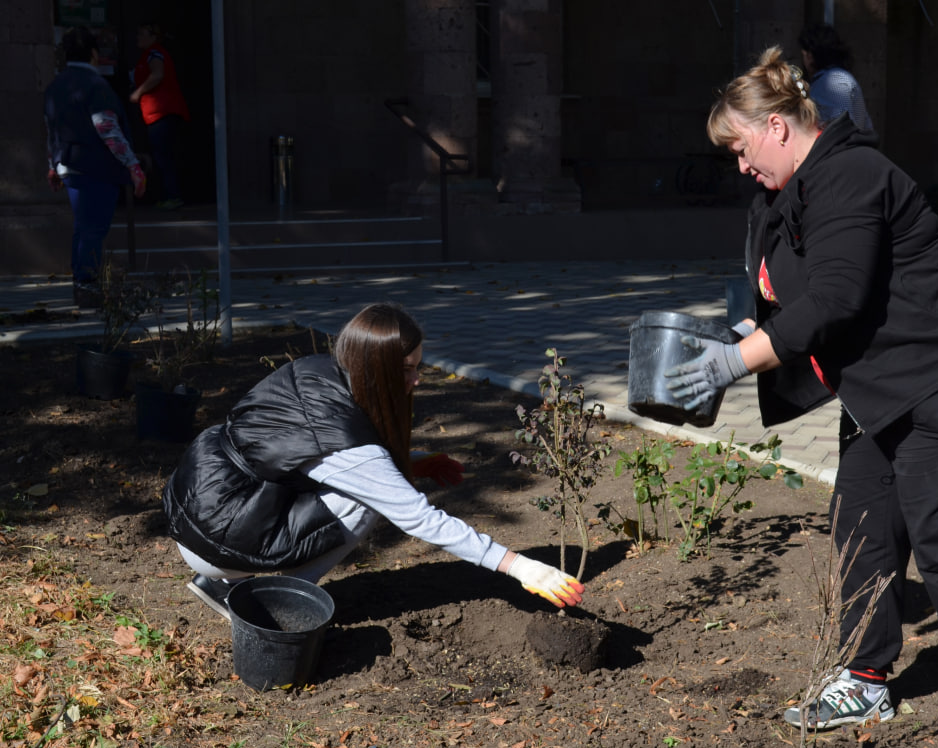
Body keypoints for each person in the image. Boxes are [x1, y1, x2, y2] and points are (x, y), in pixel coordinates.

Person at [667, 47, 938, 748]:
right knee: (860, 523)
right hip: (884, 386)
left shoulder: (854, 174)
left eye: (740, 149)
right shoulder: (789, 194)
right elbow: (798, 297)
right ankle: (865, 678)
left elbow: (835, 301)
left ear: (775, 126)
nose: (739, 167)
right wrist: (736, 337)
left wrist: (736, 362)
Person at [162, 303, 584, 619]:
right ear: (375, 367)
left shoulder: (318, 370)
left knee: (382, 480)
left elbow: (298, 457)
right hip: (221, 536)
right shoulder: (343, 440)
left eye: (418, 367)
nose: (417, 380)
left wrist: (415, 462)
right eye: (406, 370)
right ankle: (274, 602)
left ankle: (222, 585)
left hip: (196, 507)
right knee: (373, 498)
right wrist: (520, 566)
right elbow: (417, 517)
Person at [44, 26, 147, 309]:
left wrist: (53, 164)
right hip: (96, 166)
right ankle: (87, 287)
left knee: (83, 227)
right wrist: (133, 165)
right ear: (93, 54)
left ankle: (83, 285)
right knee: (92, 229)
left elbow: (50, 129)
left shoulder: (56, 85)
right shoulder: (95, 86)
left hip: (68, 164)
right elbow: (107, 128)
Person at [129, 22, 189, 209]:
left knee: (163, 155)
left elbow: (157, 74)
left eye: (142, 33)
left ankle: (173, 195)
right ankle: (168, 195)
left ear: (154, 37)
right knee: (161, 154)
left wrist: (138, 93)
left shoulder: (155, 53)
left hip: (161, 112)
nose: (138, 37)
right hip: (155, 112)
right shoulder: (148, 55)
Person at [797, 23, 873, 131]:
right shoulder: (834, 78)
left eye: (804, 55)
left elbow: (839, 127)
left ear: (809, 55)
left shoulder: (834, 81)